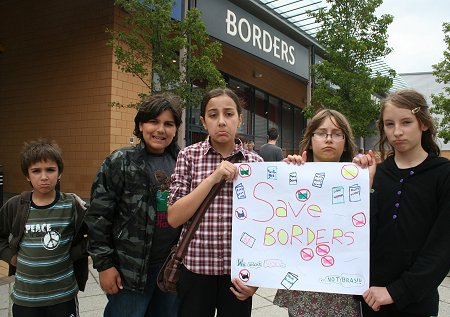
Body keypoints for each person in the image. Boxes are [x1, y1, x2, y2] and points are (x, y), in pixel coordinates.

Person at [353, 89, 450, 316]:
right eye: (389, 124)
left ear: (423, 124)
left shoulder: (443, 174)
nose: (397, 132)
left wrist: (398, 291)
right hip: (371, 297)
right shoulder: (377, 174)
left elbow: (443, 246)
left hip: (417, 299)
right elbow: (360, 233)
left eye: (406, 122)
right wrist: (363, 185)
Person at [167, 88, 263, 317]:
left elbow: (264, 225)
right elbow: (174, 217)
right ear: (203, 121)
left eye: (229, 114)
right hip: (196, 267)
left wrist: (257, 279)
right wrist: (213, 178)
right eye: (213, 115)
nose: (221, 122)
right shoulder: (188, 156)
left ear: (240, 119)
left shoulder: (255, 163)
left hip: (238, 273)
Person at [86, 94, 183, 317]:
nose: (160, 129)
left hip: (171, 267)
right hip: (129, 269)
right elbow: (98, 217)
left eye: (168, 124)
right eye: (154, 122)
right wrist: (104, 265)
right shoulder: (120, 161)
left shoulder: (183, 162)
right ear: (141, 124)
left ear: (176, 129)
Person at [273, 109, 361, 317]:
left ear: (346, 142)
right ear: (311, 140)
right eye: (321, 133)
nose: (329, 139)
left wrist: (368, 180)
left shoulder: (360, 179)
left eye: (337, 133)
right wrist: (286, 177)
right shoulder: (293, 174)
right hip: (304, 286)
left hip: (343, 287)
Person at [0, 138, 89, 317]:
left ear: (59, 173)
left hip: (63, 297)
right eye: (36, 171)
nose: (44, 177)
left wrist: (75, 253)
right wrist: (11, 257)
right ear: (27, 175)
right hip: (26, 299)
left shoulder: (72, 205)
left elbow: (97, 235)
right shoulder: (15, 205)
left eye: (50, 170)